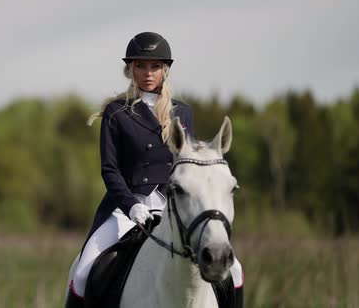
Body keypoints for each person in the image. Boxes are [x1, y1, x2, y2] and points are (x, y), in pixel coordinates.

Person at [65, 32, 243, 308]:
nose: (148, 73)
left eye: (155, 67)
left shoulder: (181, 112)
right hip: (125, 209)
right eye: (141, 66)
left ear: (165, 70)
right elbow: (110, 170)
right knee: (82, 272)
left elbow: (187, 168)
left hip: (173, 207)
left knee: (235, 270)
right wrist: (131, 206)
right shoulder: (116, 113)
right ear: (130, 70)